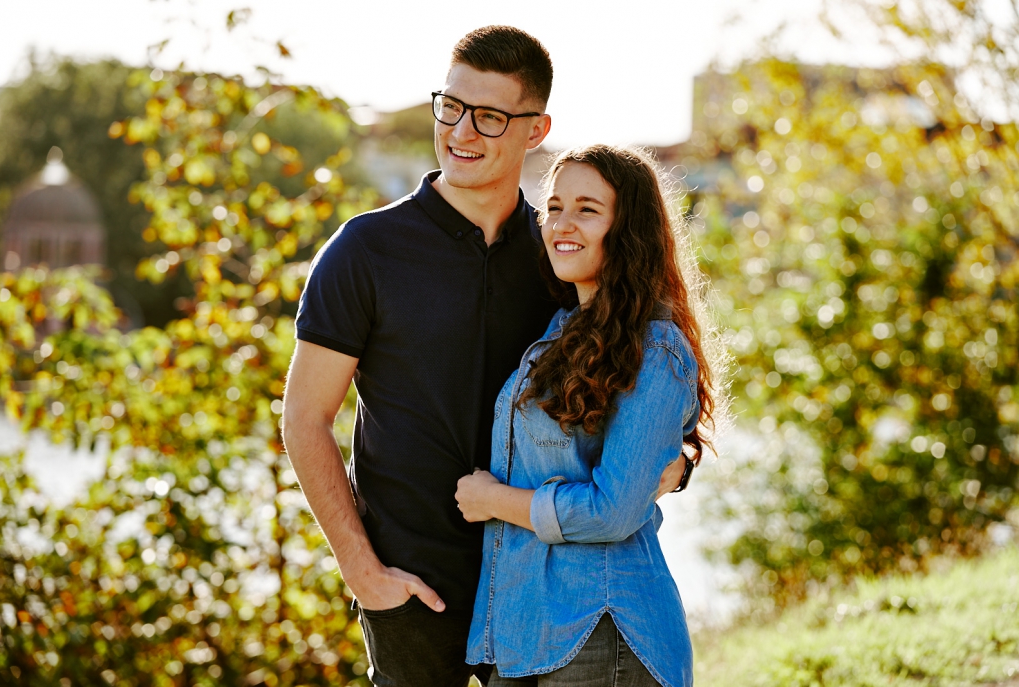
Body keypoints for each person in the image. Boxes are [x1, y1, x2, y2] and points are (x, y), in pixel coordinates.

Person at [283, 26, 683, 686]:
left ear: (536, 129)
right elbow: (304, 418)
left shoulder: (560, 255)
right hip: (412, 587)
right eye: (451, 106)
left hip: (541, 584)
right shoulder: (364, 251)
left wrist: (679, 462)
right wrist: (363, 572)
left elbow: (648, 373)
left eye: (490, 116)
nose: (461, 131)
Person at [456, 145, 717, 687]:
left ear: (629, 229)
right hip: (522, 632)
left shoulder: (656, 349)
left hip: (601, 631)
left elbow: (613, 512)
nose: (561, 224)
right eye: (554, 207)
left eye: (587, 209)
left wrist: (492, 501)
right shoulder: (557, 333)